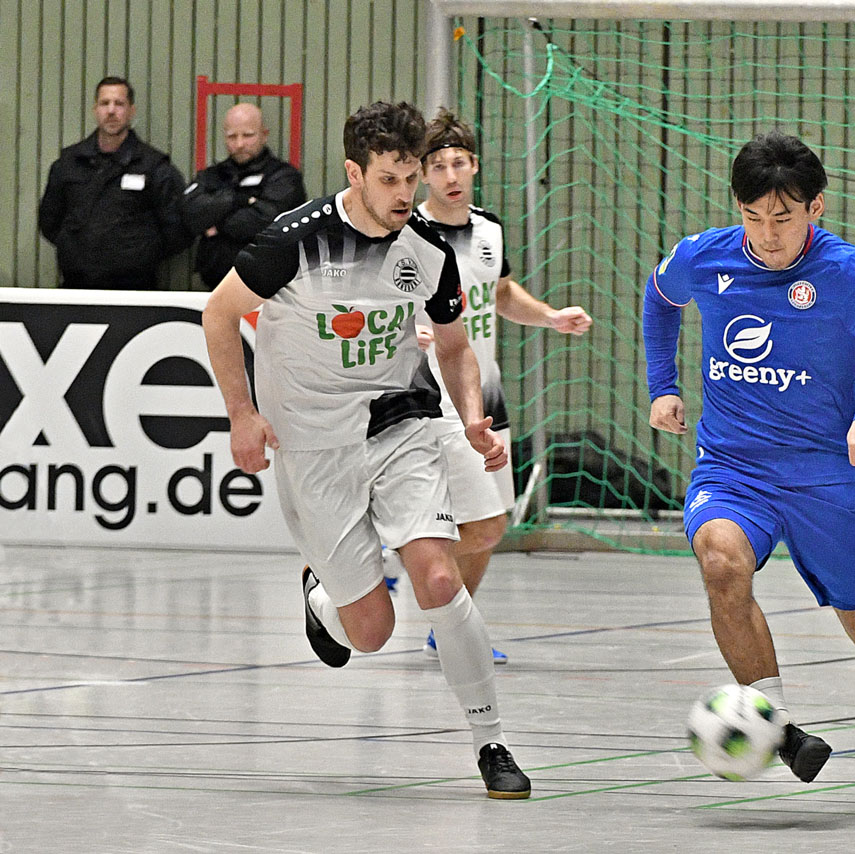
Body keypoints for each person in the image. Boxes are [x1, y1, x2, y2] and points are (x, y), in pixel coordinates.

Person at [644, 130, 855, 807]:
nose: (767, 236)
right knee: (720, 561)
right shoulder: (703, 258)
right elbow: (660, 299)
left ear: (815, 208)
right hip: (733, 467)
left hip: (823, 478)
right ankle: (776, 726)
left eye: (783, 218)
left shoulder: (845, 274)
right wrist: (663, 383)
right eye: (753, 218)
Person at [201, 101, 530, 799]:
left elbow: (454, 348)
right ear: (354, 172)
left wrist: (472, 417)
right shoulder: (293, 240)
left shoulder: (428, 252)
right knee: (370, 633)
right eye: (390, 180)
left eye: (412, 178)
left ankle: (491, 741)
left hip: (400, 426)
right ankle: (323, 591)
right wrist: (241, 414)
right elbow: (219, 314)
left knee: (438, 579)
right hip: (315, 447)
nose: (406, 195)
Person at [388, 107, 592, 664]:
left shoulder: (489, 229)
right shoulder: (404, 232)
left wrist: (549, 317)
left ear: (474, 166)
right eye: (439, 165)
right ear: (422, 174)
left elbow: (500, 295)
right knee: (471, 520)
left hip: (485, 396)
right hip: (425, 397)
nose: (451, 175)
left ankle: (433, 602)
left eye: (459, 163)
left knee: (488, 529)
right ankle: (430, 594)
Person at [38, 76, 188, 289]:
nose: (111, 111)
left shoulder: (153, 165)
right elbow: (49, 221)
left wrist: (140, 254)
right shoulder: (69, 163)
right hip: (77, 287)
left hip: (137, 290)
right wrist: (73, 248)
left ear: (131, 111)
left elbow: (177, 229)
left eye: (119, 104)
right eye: (104, 103)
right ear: (95, 110)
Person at [180, 103, 307, 289]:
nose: (239, 144)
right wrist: (239, 200)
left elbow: (268, 222)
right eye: (232, 136)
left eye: (248, 135)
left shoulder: (285, 177)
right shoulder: (211, 175)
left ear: (264, 135)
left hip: (269, 289)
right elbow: (190, 213)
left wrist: (217, 225)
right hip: (214, 286)